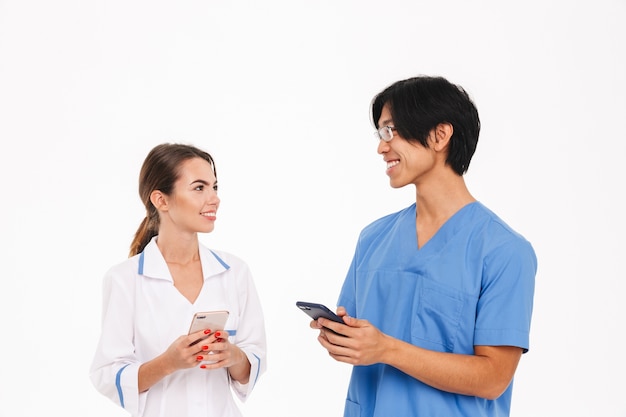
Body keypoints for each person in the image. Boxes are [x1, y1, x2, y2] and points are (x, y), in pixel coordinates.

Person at [310, 76, 537, 416]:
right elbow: (363, 343)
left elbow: (493, 378)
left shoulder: (503, 251)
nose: (381, 147)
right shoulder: (373, 239)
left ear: (439, 135)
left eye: (391, 131)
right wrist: (342, 339)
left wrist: (386, 349)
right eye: (380, 134)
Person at [90, 143, 267, 417]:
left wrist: (233, 356)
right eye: (199, 188)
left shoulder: (235, 272)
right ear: (161, 200)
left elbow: (253, 360)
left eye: (214, 187)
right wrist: (168, 362)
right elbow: (108, 374)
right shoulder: (124, 279)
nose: (214, 198)